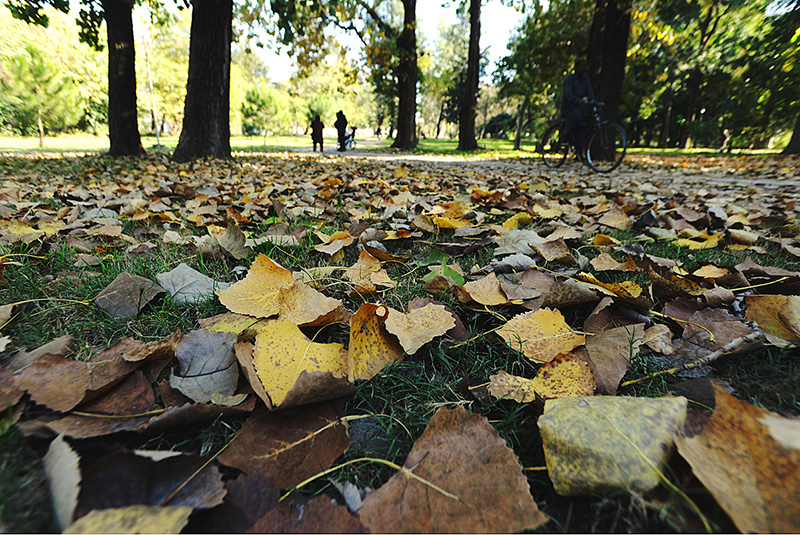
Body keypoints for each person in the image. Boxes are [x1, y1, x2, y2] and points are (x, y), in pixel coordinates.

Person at [561, 59, 595, 158]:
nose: (584, 69)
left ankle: (579, 151)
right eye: (582, 66)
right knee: (575, 118)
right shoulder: (570, 79)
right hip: (570, 108)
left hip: (581, 108)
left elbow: (590, 92)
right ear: (576, 67)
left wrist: (593, 101)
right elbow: (568, 93)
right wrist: (574, 100)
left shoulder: (585, 80)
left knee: (583, 127)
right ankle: (564, 135)